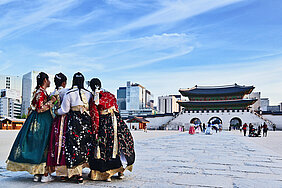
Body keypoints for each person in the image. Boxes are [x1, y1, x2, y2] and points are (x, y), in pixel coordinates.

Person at [6, 72, 56, 182]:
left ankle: (37, 173)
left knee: (36, 145)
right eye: (48, 80)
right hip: (42, 122)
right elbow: (40, 108)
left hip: (34, 121)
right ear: (44, 81)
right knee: (44, 145)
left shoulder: (38, 92)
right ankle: (44, 174)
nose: (49, 82)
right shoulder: (41, 93)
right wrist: (51, 102)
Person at [88, 78, 135, 182]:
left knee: (105, 147)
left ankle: (107, 173)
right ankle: (120, 171)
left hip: (104, 122)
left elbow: (94, 115)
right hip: (116, 121)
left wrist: (95, 130)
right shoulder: (110, 94)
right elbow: (116, 108)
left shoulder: (94, 98)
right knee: (120, 144)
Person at [56, 72, 94, 184]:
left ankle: (77, 174)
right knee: (86, 144)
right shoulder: (89, 93)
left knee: (73, 145)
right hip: (87, 121)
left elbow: (64, 110)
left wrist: (55, 112)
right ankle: (84, 170)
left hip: (74, 121)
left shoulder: (69, 93)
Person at [46, 73, 69, 181]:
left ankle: (53, 167)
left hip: (55, 120)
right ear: (64, 83)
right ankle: (64, 171)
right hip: (65, 119)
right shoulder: (66, 92)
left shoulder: (52, 93)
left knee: (54, 143)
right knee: (64, 144)